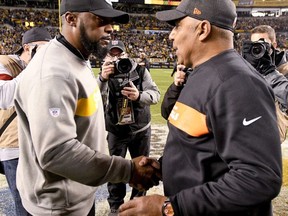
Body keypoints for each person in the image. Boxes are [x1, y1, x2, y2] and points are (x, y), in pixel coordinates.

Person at [119, 0, 282, 215]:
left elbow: (258, 177)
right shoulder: (200, 73)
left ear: (203, 29)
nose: (171, 36)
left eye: (177, 26)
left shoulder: (238, 83)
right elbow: (202, 148)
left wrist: (170, 208)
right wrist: (163, 168)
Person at [13, 0, 160, 215]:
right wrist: (127, 170)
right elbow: (57, 152)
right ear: (71, 19)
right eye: (101, 19)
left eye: (111, 22)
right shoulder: (53, 73)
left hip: (76, 191)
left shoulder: (76, 57)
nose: (110, 28)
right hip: (59, 206)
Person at [98, 40, 160, 215]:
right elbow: (94, 100)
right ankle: (115, 207)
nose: (117, 58)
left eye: (120, 54)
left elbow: (155, 95)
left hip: (140, 130)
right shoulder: (103, 75)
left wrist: (139, 95)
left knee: (143, 169)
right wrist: (103, 78)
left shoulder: (140, 71)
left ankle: (137, 205)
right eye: (112, 54)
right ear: (107, 56)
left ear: (126, 54)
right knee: (115, 170)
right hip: (116, 131)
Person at [0, 26, 52, 216]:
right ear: (27, 47)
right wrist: (34, 69)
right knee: (24, 205)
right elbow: (4, 97)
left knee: (46, 202)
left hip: (43, 145)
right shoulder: (5, 62)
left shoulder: (45, 69)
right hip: (15, 147)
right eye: (41, 49)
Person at [242, 25, 288, 142]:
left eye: (263, 44)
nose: (258, 49)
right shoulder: (246, 71)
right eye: (254, 45)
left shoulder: (285, 70)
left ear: (274, 45)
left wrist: (269, 72)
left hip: (276, 143)